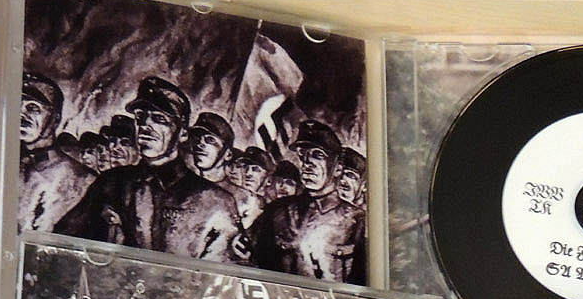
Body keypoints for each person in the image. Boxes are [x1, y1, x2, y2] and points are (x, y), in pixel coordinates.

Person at [56, 77, 240, 261]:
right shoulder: (111, 185)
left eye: (159, 119)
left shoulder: (216, 202)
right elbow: (62, 244)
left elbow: (230, 271)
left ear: (183, 132)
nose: (145, 126)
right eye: (140, 117)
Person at [237, 121, 364, 284]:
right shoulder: (277, 211)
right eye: (303, 155)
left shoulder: (357, 220)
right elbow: (242, 257)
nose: (307, 163)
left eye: (318, 155)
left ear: (338, 168)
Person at [16, 72, 95, 232]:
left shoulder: (83, 179)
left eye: (33, 108)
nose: (21, 114)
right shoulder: (1, 166)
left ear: (55, 120)